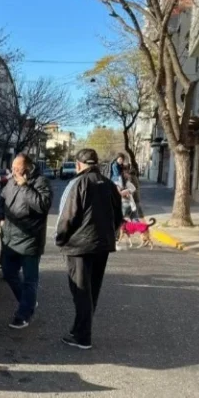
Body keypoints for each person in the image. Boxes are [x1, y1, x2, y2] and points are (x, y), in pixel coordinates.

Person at [55, 148, 123, 350]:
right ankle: (79, 329)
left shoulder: (78, 183)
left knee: (81, 291)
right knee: (92, 289)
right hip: (102, 245)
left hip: (79, 247)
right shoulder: (109, 185)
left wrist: (61, 238)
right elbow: (118, 215)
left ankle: (83, 336)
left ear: (79, 164)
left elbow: (68, 216)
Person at [0, 153, 53, 329]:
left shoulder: (40, 182)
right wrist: (0, 217)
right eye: (12, 167)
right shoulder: (11, 182)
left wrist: (25, 186)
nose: (13, 171)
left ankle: (24, 314)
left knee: (30, 279)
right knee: (8, 272)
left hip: (30, 239)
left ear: (27, 167)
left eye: (17, 167)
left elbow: (43, 205)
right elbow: (2, 200)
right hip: (10, 237)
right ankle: (27, 301)